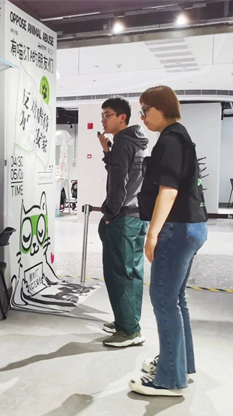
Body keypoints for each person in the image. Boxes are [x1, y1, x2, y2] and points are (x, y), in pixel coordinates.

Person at [130, 85, 207, 397]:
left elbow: (169, 190)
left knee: (163, 299)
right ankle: (179, 365)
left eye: (145, 110)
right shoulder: (181, 136)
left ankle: (170, 379)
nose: (142, 116)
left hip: (177, 228)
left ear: (161, 108)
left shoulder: (171, 140)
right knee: (176, 299)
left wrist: (152, 234)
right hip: (191, 226)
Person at [96, 97, 149, 348]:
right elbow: (127, 175)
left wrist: (109, 214)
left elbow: (119, 185)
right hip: (138, 216)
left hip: (123, 218)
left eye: (107, 115)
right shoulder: (137, 142)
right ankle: (127, 321)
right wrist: (107, 153)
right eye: (102, 115)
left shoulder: (122, 143)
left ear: (122, 117)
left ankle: (129, 331)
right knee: (133, 273)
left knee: (119, 274)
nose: (103, 120)